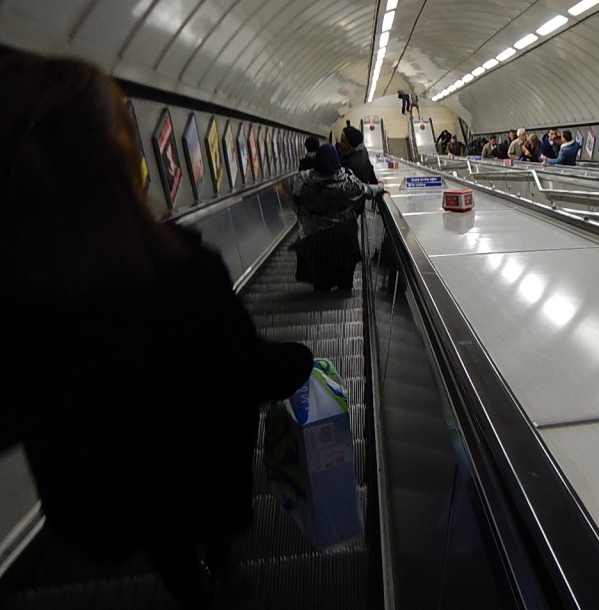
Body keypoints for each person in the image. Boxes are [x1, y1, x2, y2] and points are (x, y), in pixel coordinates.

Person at [0, 49, 314, 608]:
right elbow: (245, 370)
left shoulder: (21, 305)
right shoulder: (182, 272)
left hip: (111, 507)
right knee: (200, 516)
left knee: (163, 538)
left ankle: (194, 593)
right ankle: (222, 567)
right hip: (201, 471)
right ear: (120, 155)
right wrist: (301, 360)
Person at [290, 143, 385, 292]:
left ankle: (322, 294)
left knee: (321, 282)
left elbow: (294, 200)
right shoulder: (346, 182)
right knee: (345, 280)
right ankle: (344, 291)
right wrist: (380, 187)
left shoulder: (302, 180)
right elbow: (366, 190)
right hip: (342, 240)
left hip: (314, 241)